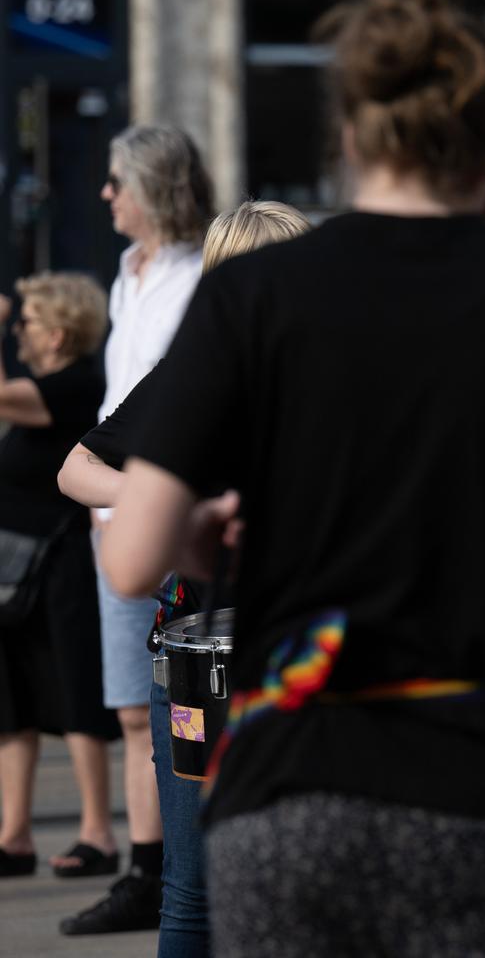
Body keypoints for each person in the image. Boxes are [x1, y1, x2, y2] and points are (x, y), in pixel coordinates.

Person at [96, 0, 485, 958]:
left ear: (347, 134)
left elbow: (130, 560)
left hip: (292, 790)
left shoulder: (252, 290)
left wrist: (203, 531)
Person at [58, 201, 311, 958]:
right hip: (202, 658)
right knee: (194, 888)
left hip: (313, 658)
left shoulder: (346, 378)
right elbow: (78, 468)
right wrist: (172, 504)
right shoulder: (193, 378)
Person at [70, 123, 213, 933]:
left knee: (169, 707)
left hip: (168, 524)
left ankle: (162, 868)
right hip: (115, 513)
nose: (105, 196)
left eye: (117, 181)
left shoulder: (200, 279)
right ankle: (149, 866)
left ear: (153, 187)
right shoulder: (129, 272)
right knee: (134, 708)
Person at [0, 275, 118, 881]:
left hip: (63, 562)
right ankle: (12, 833)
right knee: (12, 699)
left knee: (76, 693)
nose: (18, 330)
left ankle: (98, 829)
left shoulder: (75, 385)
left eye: (26, 322)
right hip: (17, 573)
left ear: (57, 332)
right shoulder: (39, 389)